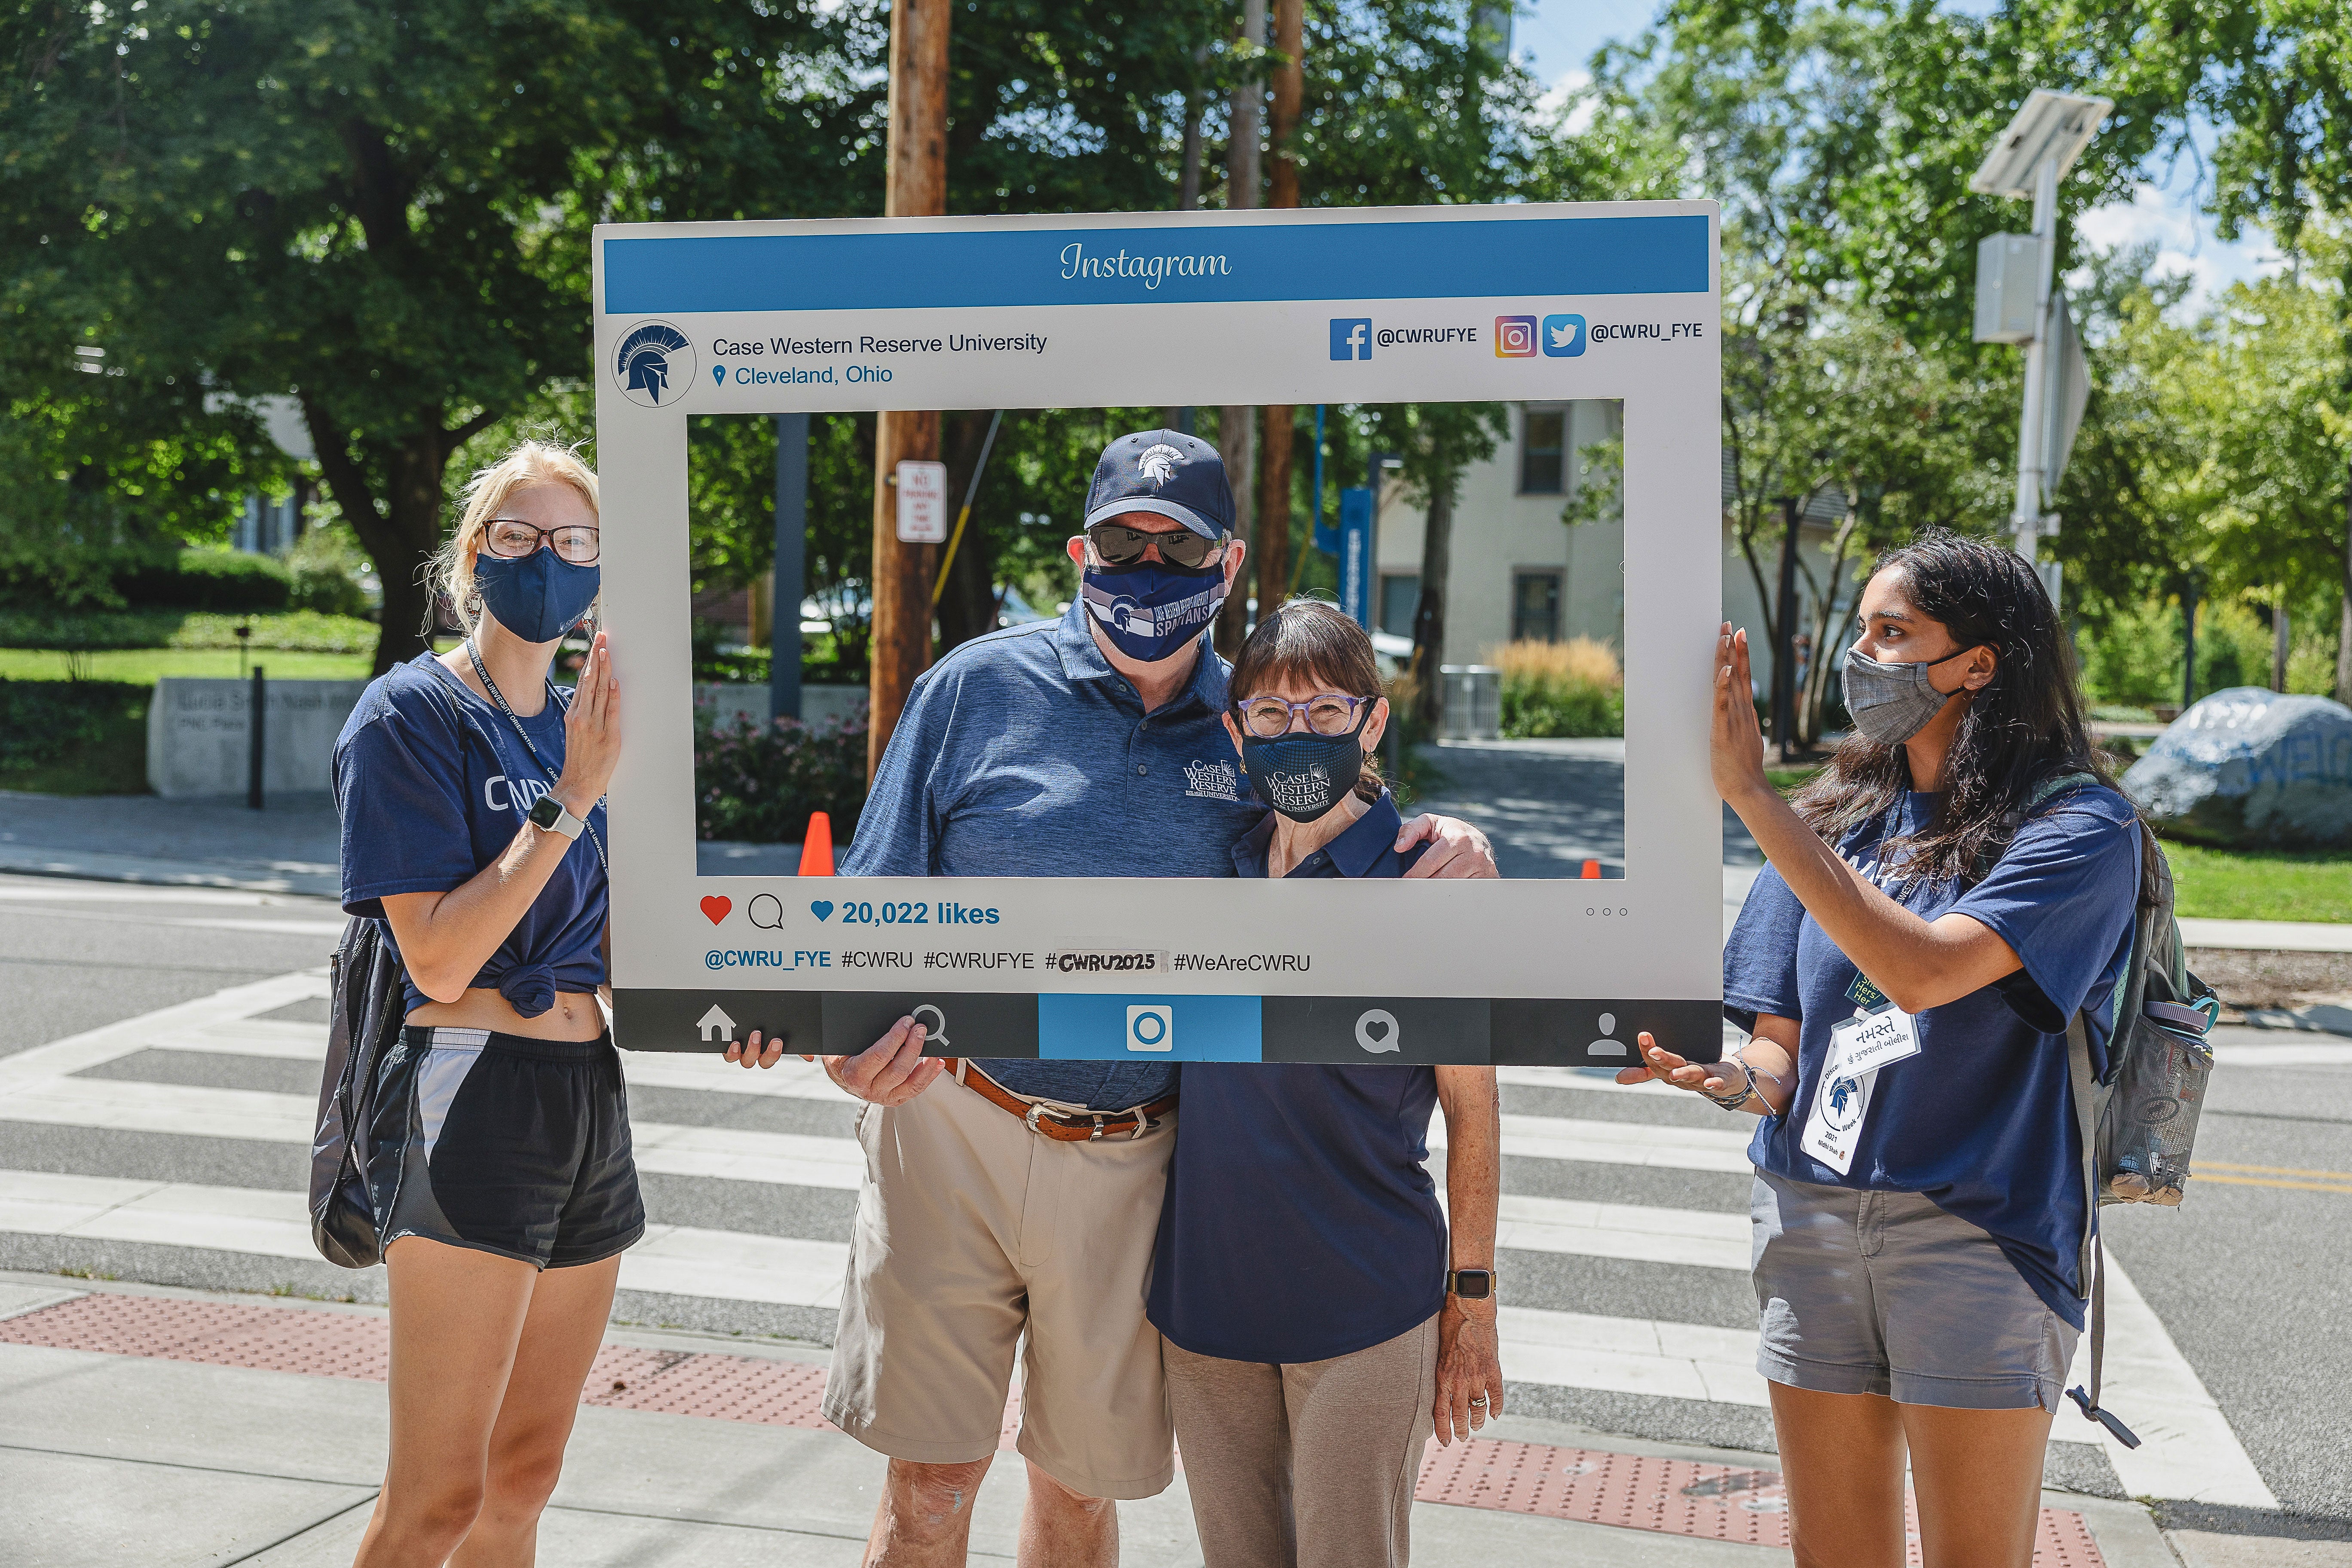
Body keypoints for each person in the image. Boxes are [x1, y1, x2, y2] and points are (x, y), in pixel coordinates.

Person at [727, 428, 1496, 1568]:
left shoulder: (1259, 722)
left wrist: (1463, 843)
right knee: (932, 1484)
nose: (1146, 570)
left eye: (1175, 547)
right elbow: (868, 910)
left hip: (1140, 1156)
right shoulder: (970, 691)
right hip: (955, 1124)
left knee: (1081, 1491)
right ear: (1081, 551)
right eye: (1123, 544)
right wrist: (844, 1047)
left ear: (1227, 566)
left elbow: (1352, 830)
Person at [1623, 530, 2141, 1568]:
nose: (1861, 656)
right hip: (1809, 1222)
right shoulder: (1836, 822)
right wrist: (1730, 1081)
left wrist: (1756, 800)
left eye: (1893, 633)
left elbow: (1925, 971)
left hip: (1978, 1236)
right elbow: (1782, 1050)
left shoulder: (2084, 830)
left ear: (1979, 665)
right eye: (1861, 630)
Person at [1150, 599, 1504, 1568]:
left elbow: (1475, 1112)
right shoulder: (1212, 870)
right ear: (1236, 729)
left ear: (1373, 722)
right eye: (1270, 715)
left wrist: (1470, 1302)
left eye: (1325, 713)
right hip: (1206, 1303)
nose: (1296, 735)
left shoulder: (1427, 884)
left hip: (1363, 1305)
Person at [332, 440, 636, 1568]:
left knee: (522, 1481)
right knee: (441, 1497)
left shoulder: (587, 724)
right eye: (517, 537)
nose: (545, 559)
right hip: (469, 1086)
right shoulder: (408, 716)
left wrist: (736, 1007)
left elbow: (601, 947)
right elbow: (444, 957)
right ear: (473, 559)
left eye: (573, 541)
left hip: (585, 1091)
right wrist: (571, 800)